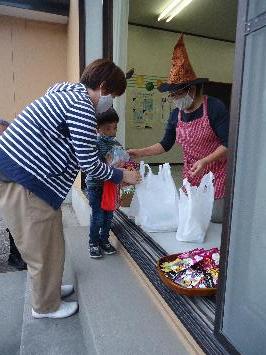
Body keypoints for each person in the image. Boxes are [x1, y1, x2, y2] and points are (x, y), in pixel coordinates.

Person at [0, 59, 141, 319]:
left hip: (26, 175)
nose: (111, 102)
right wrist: (122, 175)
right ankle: (44, 306)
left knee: (52, 239)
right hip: (26, 180)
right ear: (101, 86)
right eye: (113, 95)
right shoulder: (81, 106)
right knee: (41, 245)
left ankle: (49, 290)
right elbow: (89, 163)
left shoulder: (64, 92)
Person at [128, 35, 229, 223]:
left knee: (213, 219)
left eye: (177, 93)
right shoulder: (177, 115)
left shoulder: (214, 107)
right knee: (191, 218)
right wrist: (138, 152)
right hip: (190, 175)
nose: (174, 98)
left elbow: (228, 144)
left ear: (191, 89)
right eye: (172, 95)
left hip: (217, 176)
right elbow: (165, 144)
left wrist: (206, 161)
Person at [86, 108, 123, 258]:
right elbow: (93, 164)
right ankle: (93, 243)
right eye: (108, 128)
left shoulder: (116, 144)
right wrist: (107, 161)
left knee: (108, 216)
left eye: (114, 127)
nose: (112, 132)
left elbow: (121, 161)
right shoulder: (94, 143)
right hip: (96, 186)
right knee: (98, 216)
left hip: (110, 187)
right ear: (98, 128)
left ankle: (104, 241)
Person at [0, 119, 27, 270]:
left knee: (17, 223)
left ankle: (16, 256)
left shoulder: (16, 150)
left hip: (15, 191)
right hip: (7, 190)